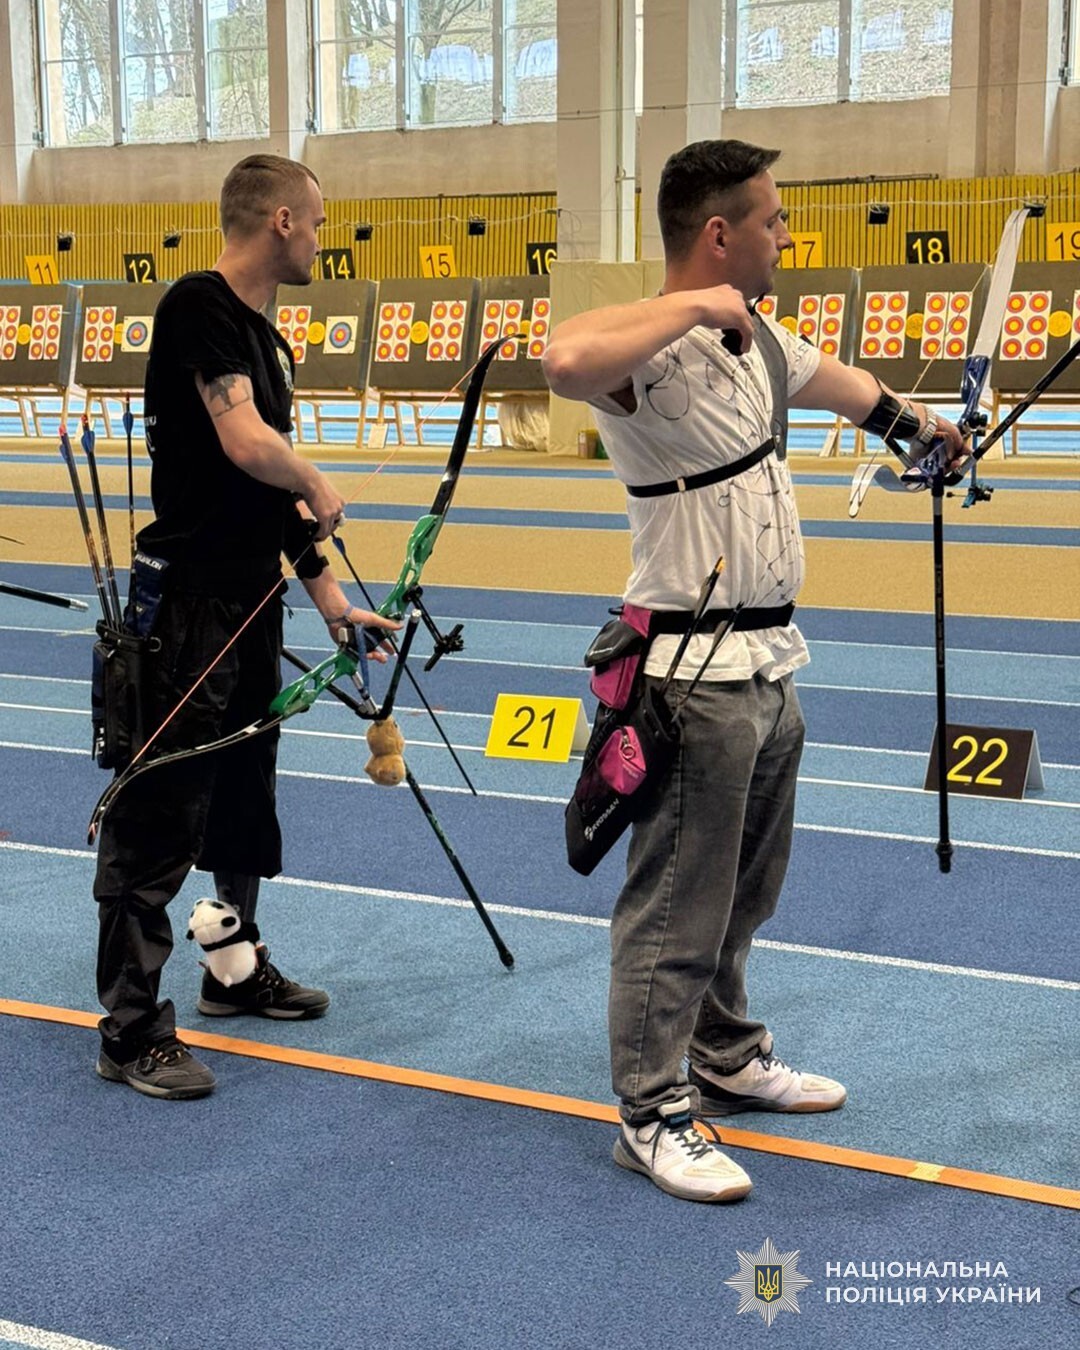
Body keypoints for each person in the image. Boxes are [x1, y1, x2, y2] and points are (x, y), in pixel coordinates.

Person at [543, 139, 966, 1203]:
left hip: (769, 662)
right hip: (689, 671)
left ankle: (723, 1051)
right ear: (719, 234)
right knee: (676, 904)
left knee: (742, 889)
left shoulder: (763, 338)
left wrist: (931, 434)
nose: (787, 236)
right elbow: (564, 360)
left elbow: (855, 391)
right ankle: (650, 1111)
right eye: (772, 221)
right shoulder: (650, 346)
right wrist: (697, 305)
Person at [93, 154, 397, 1100]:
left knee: (240, 804)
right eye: (318, 222)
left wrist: (333, 601)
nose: (322, 240)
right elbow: (245, 443)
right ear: (280, 220)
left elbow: (265, 492)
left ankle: (232, 970)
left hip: (250, 601)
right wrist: (311, 474)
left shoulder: (266, 339)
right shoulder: (200, 305)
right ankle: (130, 1031)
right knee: (158, 816)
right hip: (186, 608)